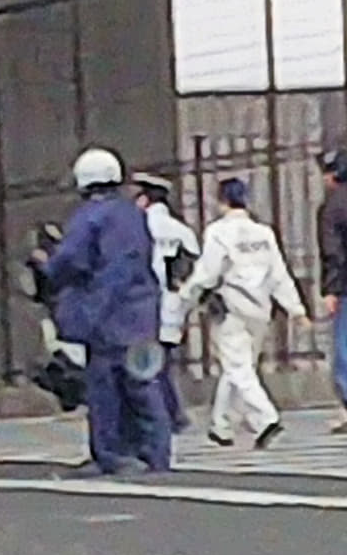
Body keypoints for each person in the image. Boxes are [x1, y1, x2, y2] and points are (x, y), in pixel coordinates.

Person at [33, 147, 172, 475]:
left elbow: (70, 261)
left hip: (106, 316)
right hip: (143, 313)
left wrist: (46, 265)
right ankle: (156, 455)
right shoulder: (134, 214)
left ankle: (111, 455)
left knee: (105, 387)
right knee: (144, 385)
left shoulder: (89, 217)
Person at [179, 177, 309, 449]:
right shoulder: (264, 233)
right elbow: (279, 274)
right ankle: (221, 425)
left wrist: (185, 299)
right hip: (261, 308)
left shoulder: (218, 232)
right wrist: (295, 308)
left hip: (231, 308)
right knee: (239, 367)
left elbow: (207, 274)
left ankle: (266, 418)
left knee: (238, 368)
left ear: (221, 200)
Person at [132, 172, 200, 433]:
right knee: (162, 361)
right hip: (174, 305)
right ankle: (172, 413)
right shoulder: (181, 230)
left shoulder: (138, 226)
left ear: (145, 198)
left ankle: (168, 414)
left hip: (146, 302)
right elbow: (194, 268)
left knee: (147, 366)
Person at [317, 149, 347, 434]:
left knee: (343, 349)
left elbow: (332, 252)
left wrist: (330, 289)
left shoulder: (333, 207)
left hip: (346, 287)